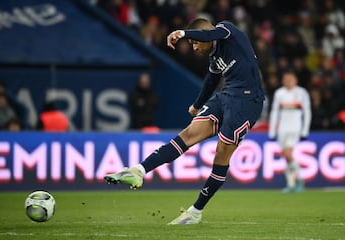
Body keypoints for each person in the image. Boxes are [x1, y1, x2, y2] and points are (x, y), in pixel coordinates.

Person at [104, 18, 265, 224]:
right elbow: (211, 80)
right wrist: (197, 105)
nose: (195, 47)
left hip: (247, 99)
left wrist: (183, 33)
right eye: (192, 44)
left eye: (195, 42)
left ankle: (195, 211)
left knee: (221, 153)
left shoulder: (227, 30)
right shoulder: (215, 57)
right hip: (225, 95)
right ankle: (138, 170)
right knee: (188, 134)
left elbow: (208, 35)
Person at [268, 71, 311, 193]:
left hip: (295, 127)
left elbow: (307, 112)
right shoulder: (279, 93)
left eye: (290, 79)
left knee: (288, 154)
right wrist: (272, 131)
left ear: (295, 80)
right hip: (282, 128)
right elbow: (275, 112)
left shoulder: (301, 93)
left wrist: (305, 130)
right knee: (286, 157)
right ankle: (291, 184)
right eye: (286, 79)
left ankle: (300, 178)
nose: (288, 81)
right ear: (282, 81)